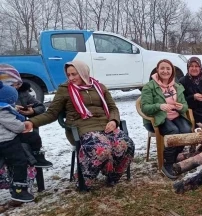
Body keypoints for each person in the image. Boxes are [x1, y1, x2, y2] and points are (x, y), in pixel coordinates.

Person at [24, 60, 134, 189]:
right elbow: (52, 113)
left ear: (83, 73)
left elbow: (112, 108)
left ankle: (113, 176)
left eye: (74, 74)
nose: (71, 78)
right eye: (68, 75)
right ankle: (84, 180)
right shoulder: (64, 89)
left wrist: (114, 121)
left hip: (106, 126)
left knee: (127, 144)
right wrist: (32, 122)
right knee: (102, 149)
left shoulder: (99, 87)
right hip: (82, 128)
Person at [141, 59, 191, 179]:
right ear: (157, 70)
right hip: (158, 118)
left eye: (168, 69)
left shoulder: (177, 86)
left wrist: (181, 106)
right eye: (162, 68)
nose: (165, 71)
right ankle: (167, 164)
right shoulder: (149, 86)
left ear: (172, 71)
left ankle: (173, 157)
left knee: (186, 130)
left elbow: (185, 106)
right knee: (173, 131)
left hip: (175, 115)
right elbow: (145, 107)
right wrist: (159, 106)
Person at [0, 64, 53, 168]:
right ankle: (30, 163)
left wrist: (32, 111)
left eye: (18, 84)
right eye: (13, 85)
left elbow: (41, 107)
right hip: (6, 132)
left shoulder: (23, 93)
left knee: (32, 136)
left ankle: (37, 158)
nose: (17, 87)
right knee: (19, 144)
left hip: (21, 126)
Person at [0, 81, 34, 202]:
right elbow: (16, 126)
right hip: (7, 141)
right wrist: (23, 124)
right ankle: (19, 190)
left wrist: (12, 108)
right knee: (19, 162)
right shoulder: (2, 111)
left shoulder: (4, 108)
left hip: (5, 139)